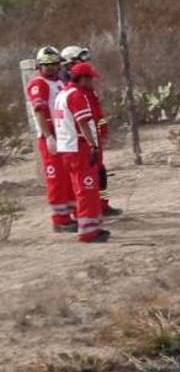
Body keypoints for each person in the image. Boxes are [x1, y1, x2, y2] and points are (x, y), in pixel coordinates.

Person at [52, 61, 109, 243]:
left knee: (84, 186)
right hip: (79, 147)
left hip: (67, 148)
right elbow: (83, 122)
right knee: (88, 188)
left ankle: (91, 223)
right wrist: (93, 145)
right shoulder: (77, 95)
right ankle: (88, 231)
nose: (93, 82)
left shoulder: (62, 94)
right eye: (90, 78)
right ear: (82, 78)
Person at [61, 46, 121, 217]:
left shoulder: (86, 86)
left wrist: (101, 125)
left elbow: (96, 110)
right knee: (83, 179)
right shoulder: (70, 89)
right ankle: (83, 211)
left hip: (91, 136)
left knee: (100, 173)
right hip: (77, 140)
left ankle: (102, 204)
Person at [26, 46, 75, 233]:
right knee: (57, 179)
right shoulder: (39, 84)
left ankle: (70, 213)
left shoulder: (60, 82)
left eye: (55, 64)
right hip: (51, 135)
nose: (52, 68)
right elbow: (39, 111)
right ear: (39, 66)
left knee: (68, 176)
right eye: (47, 65)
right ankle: (60, 219)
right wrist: (48, 136)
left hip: (64, 135)